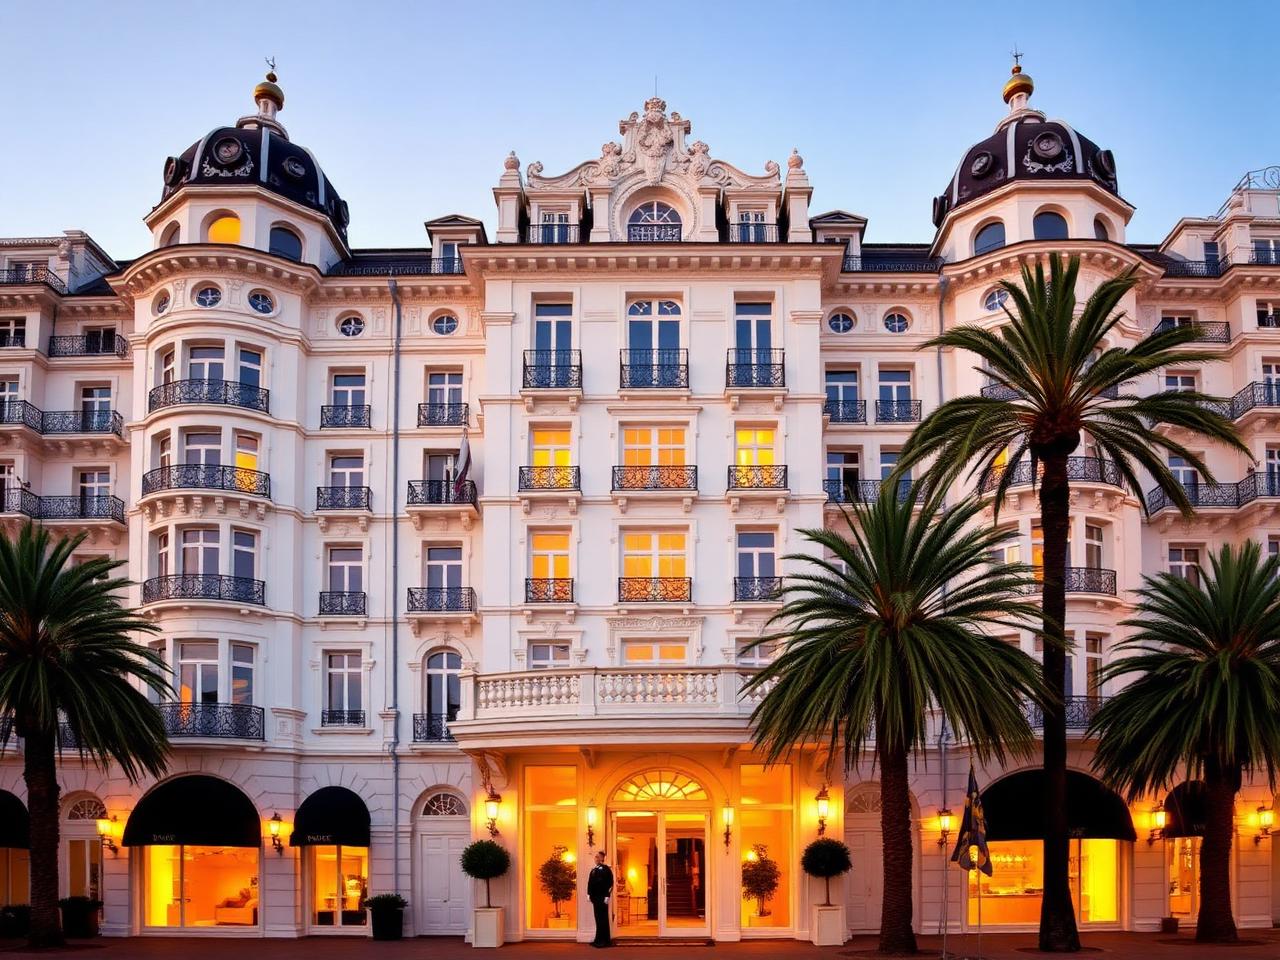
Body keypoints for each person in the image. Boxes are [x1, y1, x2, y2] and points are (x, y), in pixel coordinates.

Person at [587, 849, 614, 947]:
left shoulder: (606, 869)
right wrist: (588, 894)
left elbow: (610, 883)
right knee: (598, 919)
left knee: (603, 919)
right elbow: (590, 883)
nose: (596, 858)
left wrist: (607, 896)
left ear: (602, 858)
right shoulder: (594, 869)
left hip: (602, 898)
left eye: (598, 857)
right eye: (595, 857)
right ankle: (598, 940)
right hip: (595, 898)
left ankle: (604, 941)